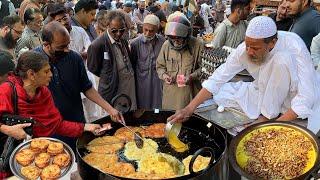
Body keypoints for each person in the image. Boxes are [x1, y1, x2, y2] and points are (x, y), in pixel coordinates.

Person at [168, 16, 320, 135]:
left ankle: (266, 118)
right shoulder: (245, 49)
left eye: (255, 48)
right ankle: (265, 115)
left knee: (281, 61)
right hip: (263, 93)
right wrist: (189, 108)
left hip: (292, 97)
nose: (249, 52)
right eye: (247, 45)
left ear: (272, 43)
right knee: (224, 93)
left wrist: (269, 126)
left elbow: (306, 99)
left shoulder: (294, 47)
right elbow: (218, 78)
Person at [34, 22, 123, 150]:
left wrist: (109, 109)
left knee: (77, 153)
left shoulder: (74, 58)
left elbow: (87, 88)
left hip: (75, 121)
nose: (66, 50)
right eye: (61, 47)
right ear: (46, 45)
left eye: (67, 45)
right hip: (48, 126)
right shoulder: (34, 62)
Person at [49, 4, 100, 122]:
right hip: (70, 79)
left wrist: (80, 54)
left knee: (93, 111)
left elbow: (89, 49)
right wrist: (80, 54)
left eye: (64, 18)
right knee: (79, 112)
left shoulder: (80, 30)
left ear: (69, 16)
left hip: (86, 74)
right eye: (59, 20)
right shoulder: (54, 38)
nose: (63, 22)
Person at [87, 10, 137, 110]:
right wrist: (109, 75)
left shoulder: (123, 39)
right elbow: (93, 68)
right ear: (107, 26)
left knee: (130, 112)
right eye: (114, 30)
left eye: (122, 30)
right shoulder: (97, 45)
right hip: (113, 89)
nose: (118, 33)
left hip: (129, 87)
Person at [156, 12, 203, 110]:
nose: (175, 42)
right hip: (171, 95)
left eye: (179, 39)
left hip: (190, 94)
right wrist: (164, 76)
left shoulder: (198, 44)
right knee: (170, 119)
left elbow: (204, 68)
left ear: (187, 36)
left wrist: (191, 77)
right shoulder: (166, 45)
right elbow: (160, 66)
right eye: (172, 38)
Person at [131, 14, 165, 109]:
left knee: (158, 105)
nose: (147, 33)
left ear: (157, 29)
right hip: (142, 82)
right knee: (142, 105)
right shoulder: (135, 44)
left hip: (158, 82)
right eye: (145, 30)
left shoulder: (162, 41)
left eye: (151, 31)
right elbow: (133, 65)